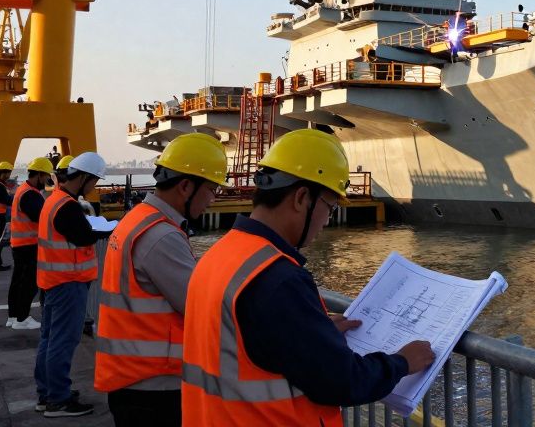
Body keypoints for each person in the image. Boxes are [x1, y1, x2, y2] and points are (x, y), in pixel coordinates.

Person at [181, 129, 434, 425]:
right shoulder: (278, 278)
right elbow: (343, 381)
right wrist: (402, 362)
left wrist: (314, 331)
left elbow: (252, 339)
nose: (327, 220)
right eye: (330, 206)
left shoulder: (221, 254)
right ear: (302, 197)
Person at [95, 133, 229, 426]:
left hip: (132, 378)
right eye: (211, 189)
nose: (212, 199)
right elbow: (204, 308)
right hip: (154, 388)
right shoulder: (162, 236)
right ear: (185, 186)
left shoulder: (139, 219)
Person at [35, 151, 109, 418]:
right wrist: (111, 229)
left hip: (53, 281)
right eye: (95, 181)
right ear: (86, 178)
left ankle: (47, 394)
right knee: (62, 342)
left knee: (49, 339)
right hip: (68, 282)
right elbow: (83, 236)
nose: (95, 187)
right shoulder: (67, 206)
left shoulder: (54, 200)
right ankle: (58, 399)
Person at [7, 158, 53, 329]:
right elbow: (40, 217)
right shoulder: (30, 194)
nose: (47, 180)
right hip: (28, 245)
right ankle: (22, 318)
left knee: (18, 281)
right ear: (39, 175)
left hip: (20, 244)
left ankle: (13, 316)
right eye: (46, 176)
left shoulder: (23, 190)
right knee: (29, 283)